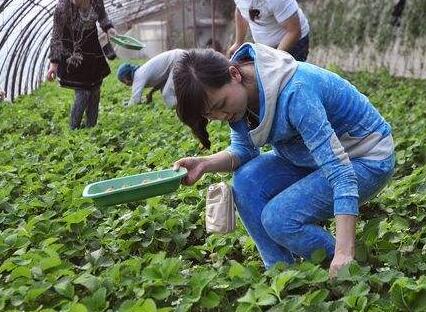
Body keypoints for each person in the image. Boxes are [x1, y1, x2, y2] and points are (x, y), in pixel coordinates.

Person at [172, 44, 395, 277]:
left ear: (234, 74)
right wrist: (205, 163)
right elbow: (243, 150)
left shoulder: (296, 92)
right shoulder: (239, 100)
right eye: (210, 115)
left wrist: (343, 252)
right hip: (309, 159)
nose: (221, 116)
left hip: (364, 158)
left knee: (279, 219)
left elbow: (340, 172)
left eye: (220, 106)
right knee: (246, 181)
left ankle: (347, 269)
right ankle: (280, 272)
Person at [47, 0, 117, 129]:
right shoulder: (62, 8)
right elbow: (56, 36)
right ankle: (73, 131)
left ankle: (91, 129)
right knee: (83, 93)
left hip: (92, 49)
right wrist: (53, 64)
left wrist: (108, 28)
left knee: (95, 91)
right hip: (73, 54)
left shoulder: (96, 2)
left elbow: (102, 16)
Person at [228, 0, 310, 61]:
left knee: (288, 81)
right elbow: (240, 10)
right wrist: (238, 42)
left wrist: (273, 58)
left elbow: (294, 32)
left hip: (294, 44)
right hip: (265, 46)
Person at [117, 49, 185, 108]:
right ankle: (185, 104)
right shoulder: (141, 72)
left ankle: (186, 107)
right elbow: (161, 80)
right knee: (165, 90)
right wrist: (151, 93)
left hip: (177, 59)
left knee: (167, 94)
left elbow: (135, 100)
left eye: (123, 80)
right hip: (178, 56)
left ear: (126, 77)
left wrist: (125, 106)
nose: (125, 84)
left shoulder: (138, 76)